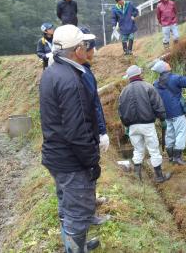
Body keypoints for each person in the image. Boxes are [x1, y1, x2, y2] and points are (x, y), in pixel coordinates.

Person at [39, 24, 101, 252]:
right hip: (71, 161)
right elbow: (77, 131)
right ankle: (75, 246)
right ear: (77, 51)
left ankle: (78, 245)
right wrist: (92, 161)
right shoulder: (71, 81)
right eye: (84, 45)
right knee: (78, 211)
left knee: (67, 206)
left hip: (56, 155)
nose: (87, 49)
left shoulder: (52, 72)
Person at [79, 27, 111, 226]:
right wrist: (101, 131)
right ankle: (88, 213)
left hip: (87, 132)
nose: (95, 52)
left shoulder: (83, 70)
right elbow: (93, 106)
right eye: (93, 48)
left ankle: (91, 201)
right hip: (85, 134)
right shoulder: (81, 73)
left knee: (90, 170)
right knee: (87, 171)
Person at [118, 65, 171, 183]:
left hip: (132, 126)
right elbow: (158, 105)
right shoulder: (147, 87)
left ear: (129, 77)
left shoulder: (124, 91)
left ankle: (138, 179)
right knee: (153, 150)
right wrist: (162, 119)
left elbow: (121, 110)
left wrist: (126, 126)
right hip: (147, 124)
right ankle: (159, 176)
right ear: (139, 74)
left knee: (137, 150)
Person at [152, 60, 186, 165]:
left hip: (165, 114)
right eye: (166, 63)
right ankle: (178, 157)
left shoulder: (155, 84)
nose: (168, 63)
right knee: (180, 133)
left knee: (170, 134)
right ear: (164, 68)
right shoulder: (175, 79)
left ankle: (171, 157)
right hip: (177, 112)